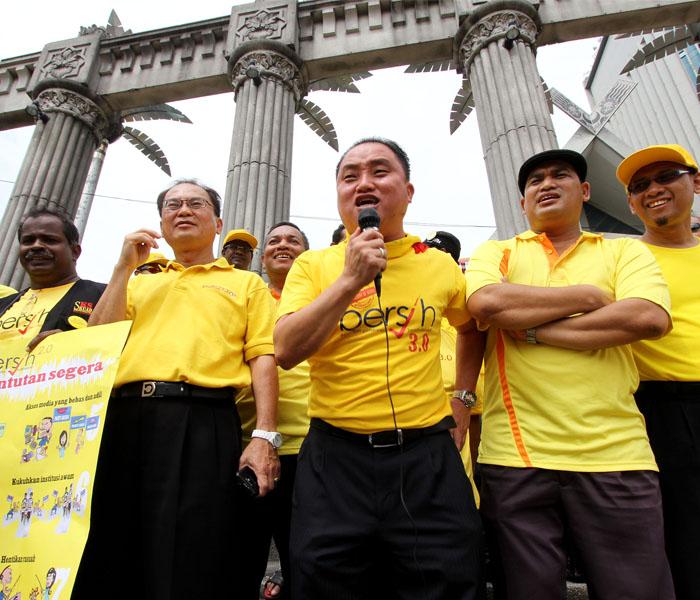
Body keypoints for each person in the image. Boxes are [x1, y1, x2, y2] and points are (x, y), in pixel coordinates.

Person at [275, 138, 483, 599]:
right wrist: (350, 279)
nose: (363, 183)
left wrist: (463, 400)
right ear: (339, 195)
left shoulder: (440, 265)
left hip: (427, 456)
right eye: (349, 176)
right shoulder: (313, 265)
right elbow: (286, 349)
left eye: (379, 171)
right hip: (335, 460)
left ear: (408, 192)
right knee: (324, 584)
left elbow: (471, 330)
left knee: (449, 580)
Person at [467, 149, 674, 600]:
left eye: (559, 175)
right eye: (534, 181)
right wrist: (590, 296)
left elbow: (647, 317)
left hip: (617, 454)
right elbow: (487, 303)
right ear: (522, 202)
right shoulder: (498, 252)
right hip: (516, 458)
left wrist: (534, 331)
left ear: (584, 191)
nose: (546, 184)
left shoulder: (624, 250)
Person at [73, 179, 280, 600]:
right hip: (124, 418)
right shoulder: (137, 281)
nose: (183, 210)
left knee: (193, 546)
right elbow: (96, 344)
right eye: (173, 205)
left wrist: (263, 436)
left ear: (217, 223)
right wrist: (122, 269)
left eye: (196, 203)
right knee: (111, 540)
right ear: (162, 225)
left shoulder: (246, 284)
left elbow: (262, 355)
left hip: (204, 420)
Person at [616, 144, 700, 600]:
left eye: (666, 176)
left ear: (695, 182)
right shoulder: (621, 259)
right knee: (684, 541)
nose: (653, 190)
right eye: (640, 186)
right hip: (661, 410)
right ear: (631, 203)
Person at [236, 221, 311, 600]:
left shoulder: (322, 299)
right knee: (239, 557)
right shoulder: (245, 297)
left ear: (307, 254)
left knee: (306, 559)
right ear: (262, 257)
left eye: (293, 240)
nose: (283, 245)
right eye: (274, 241)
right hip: (247, 446)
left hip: (310, 447)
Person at [0, 208, 105, 350]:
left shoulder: (104, 296)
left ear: (75, 252)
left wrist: (73, 344)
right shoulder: (3, 304)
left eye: (49, 240)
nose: (36, 246)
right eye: (28, 241)